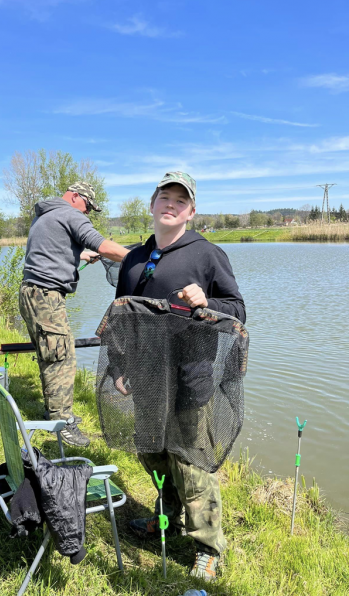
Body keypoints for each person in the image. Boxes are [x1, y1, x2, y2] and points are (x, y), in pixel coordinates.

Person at [114, 171, 246, 581]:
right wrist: (120, 363)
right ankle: (165, 519)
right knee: (152, 453)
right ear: (152, 205)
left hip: (191, 377)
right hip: (147, 377)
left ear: (191, 210)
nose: (170, 205)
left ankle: (208, 546)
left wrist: (208, 300)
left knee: (190, 464)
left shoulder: (207, 255)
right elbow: (121, 312)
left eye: (180, 200)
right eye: (163, 198)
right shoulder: (134, 258)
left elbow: (237, 310)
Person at [19, 182, 129, 447]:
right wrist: (138, 258)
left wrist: (80, 256)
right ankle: (62, 422)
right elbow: (103, 245)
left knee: (51, 354)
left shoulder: (45, 215)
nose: (88, 212)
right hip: (46, 296)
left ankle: (55, 412)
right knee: (62, 358)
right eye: (88, 205)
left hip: (32, 293)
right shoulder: (70, 214)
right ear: (75, 197)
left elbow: (53, 252)